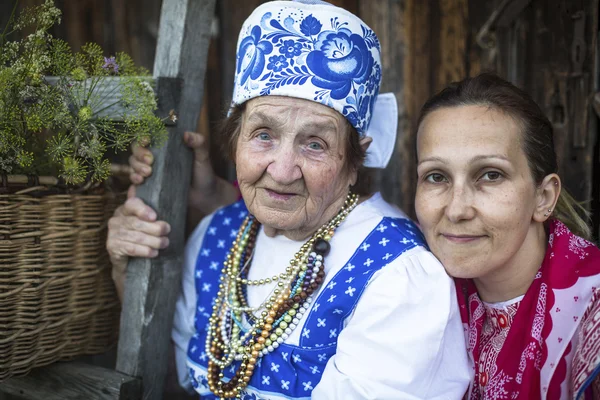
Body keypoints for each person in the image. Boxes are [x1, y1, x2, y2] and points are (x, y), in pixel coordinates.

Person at [107, 1, 471, 399]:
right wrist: (131, 272)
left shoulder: (397, 277)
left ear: (353, 162)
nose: (282, 170)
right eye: (263, 134)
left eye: (315, 144)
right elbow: (170, 379)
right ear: (236, 139)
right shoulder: (218, 235)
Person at [414, 73, 600, 399]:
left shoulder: (591, 310)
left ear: (543, 197)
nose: (456, 210)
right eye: (436, 176)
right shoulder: (408, 285)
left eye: (490, 174)